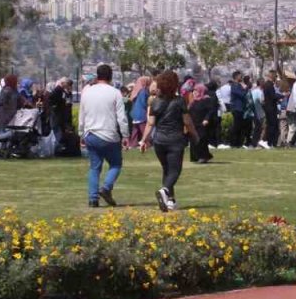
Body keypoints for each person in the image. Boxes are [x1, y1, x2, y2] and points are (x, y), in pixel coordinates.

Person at [141, 71, 196, 212]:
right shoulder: (179, 101)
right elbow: (187, 122)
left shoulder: (155, 102)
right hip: (175, 139)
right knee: (175, 170)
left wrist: (143, 140)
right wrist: (195, 135)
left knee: (167, 169)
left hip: (159, 140)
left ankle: (170, 201)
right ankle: (165, 191)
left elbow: (150, 123)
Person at [80, 64, 130, 208]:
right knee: (116, 163)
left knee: (94, 167)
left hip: (91, 134)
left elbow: (82, 115)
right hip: (108, 135)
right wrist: (125, 135)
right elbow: (121, 117)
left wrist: (81, 133)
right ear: (110, 76)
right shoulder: (114, 92)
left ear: (97, 75)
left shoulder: (86, 92)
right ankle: (106, 187)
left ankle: (93, 198)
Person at [187, 83, 217, 164]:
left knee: (201, 140)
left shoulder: (206, 100)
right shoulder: (193, 101)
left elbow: (211, 111)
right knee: (193, 140)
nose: (194, 92)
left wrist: (206, 119)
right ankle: (196, 156)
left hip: (202, 122)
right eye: (194, 90)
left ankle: (203, 157)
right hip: (193, 123)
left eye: (196, 90)